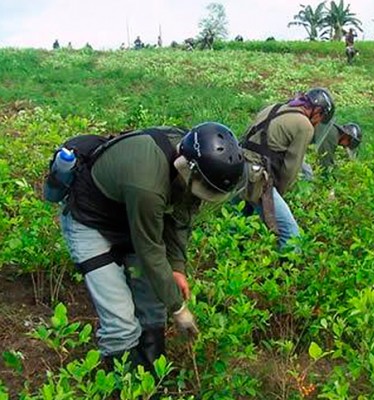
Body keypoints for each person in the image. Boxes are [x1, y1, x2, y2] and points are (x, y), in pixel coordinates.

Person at [55, 124, 245, 371]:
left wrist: (176, 267)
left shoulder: (192, 152)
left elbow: (180, 217)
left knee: (153, 305)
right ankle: (123, 380)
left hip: (128, 219)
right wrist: (179, 308)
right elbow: (150, 250)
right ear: (187, 169)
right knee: (121, 324)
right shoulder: (148, 184)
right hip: (89, 222)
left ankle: (153, 374)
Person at [240, 88, 335, 248]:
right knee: (291, 237)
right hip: (256, 177)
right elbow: (291, 169)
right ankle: (284, 270)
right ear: (317, 111)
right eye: (321, 118)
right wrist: (278, 194)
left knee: (236, 221)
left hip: (238, 167)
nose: (318, 123)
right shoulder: (305, 126)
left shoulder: (274, 107)